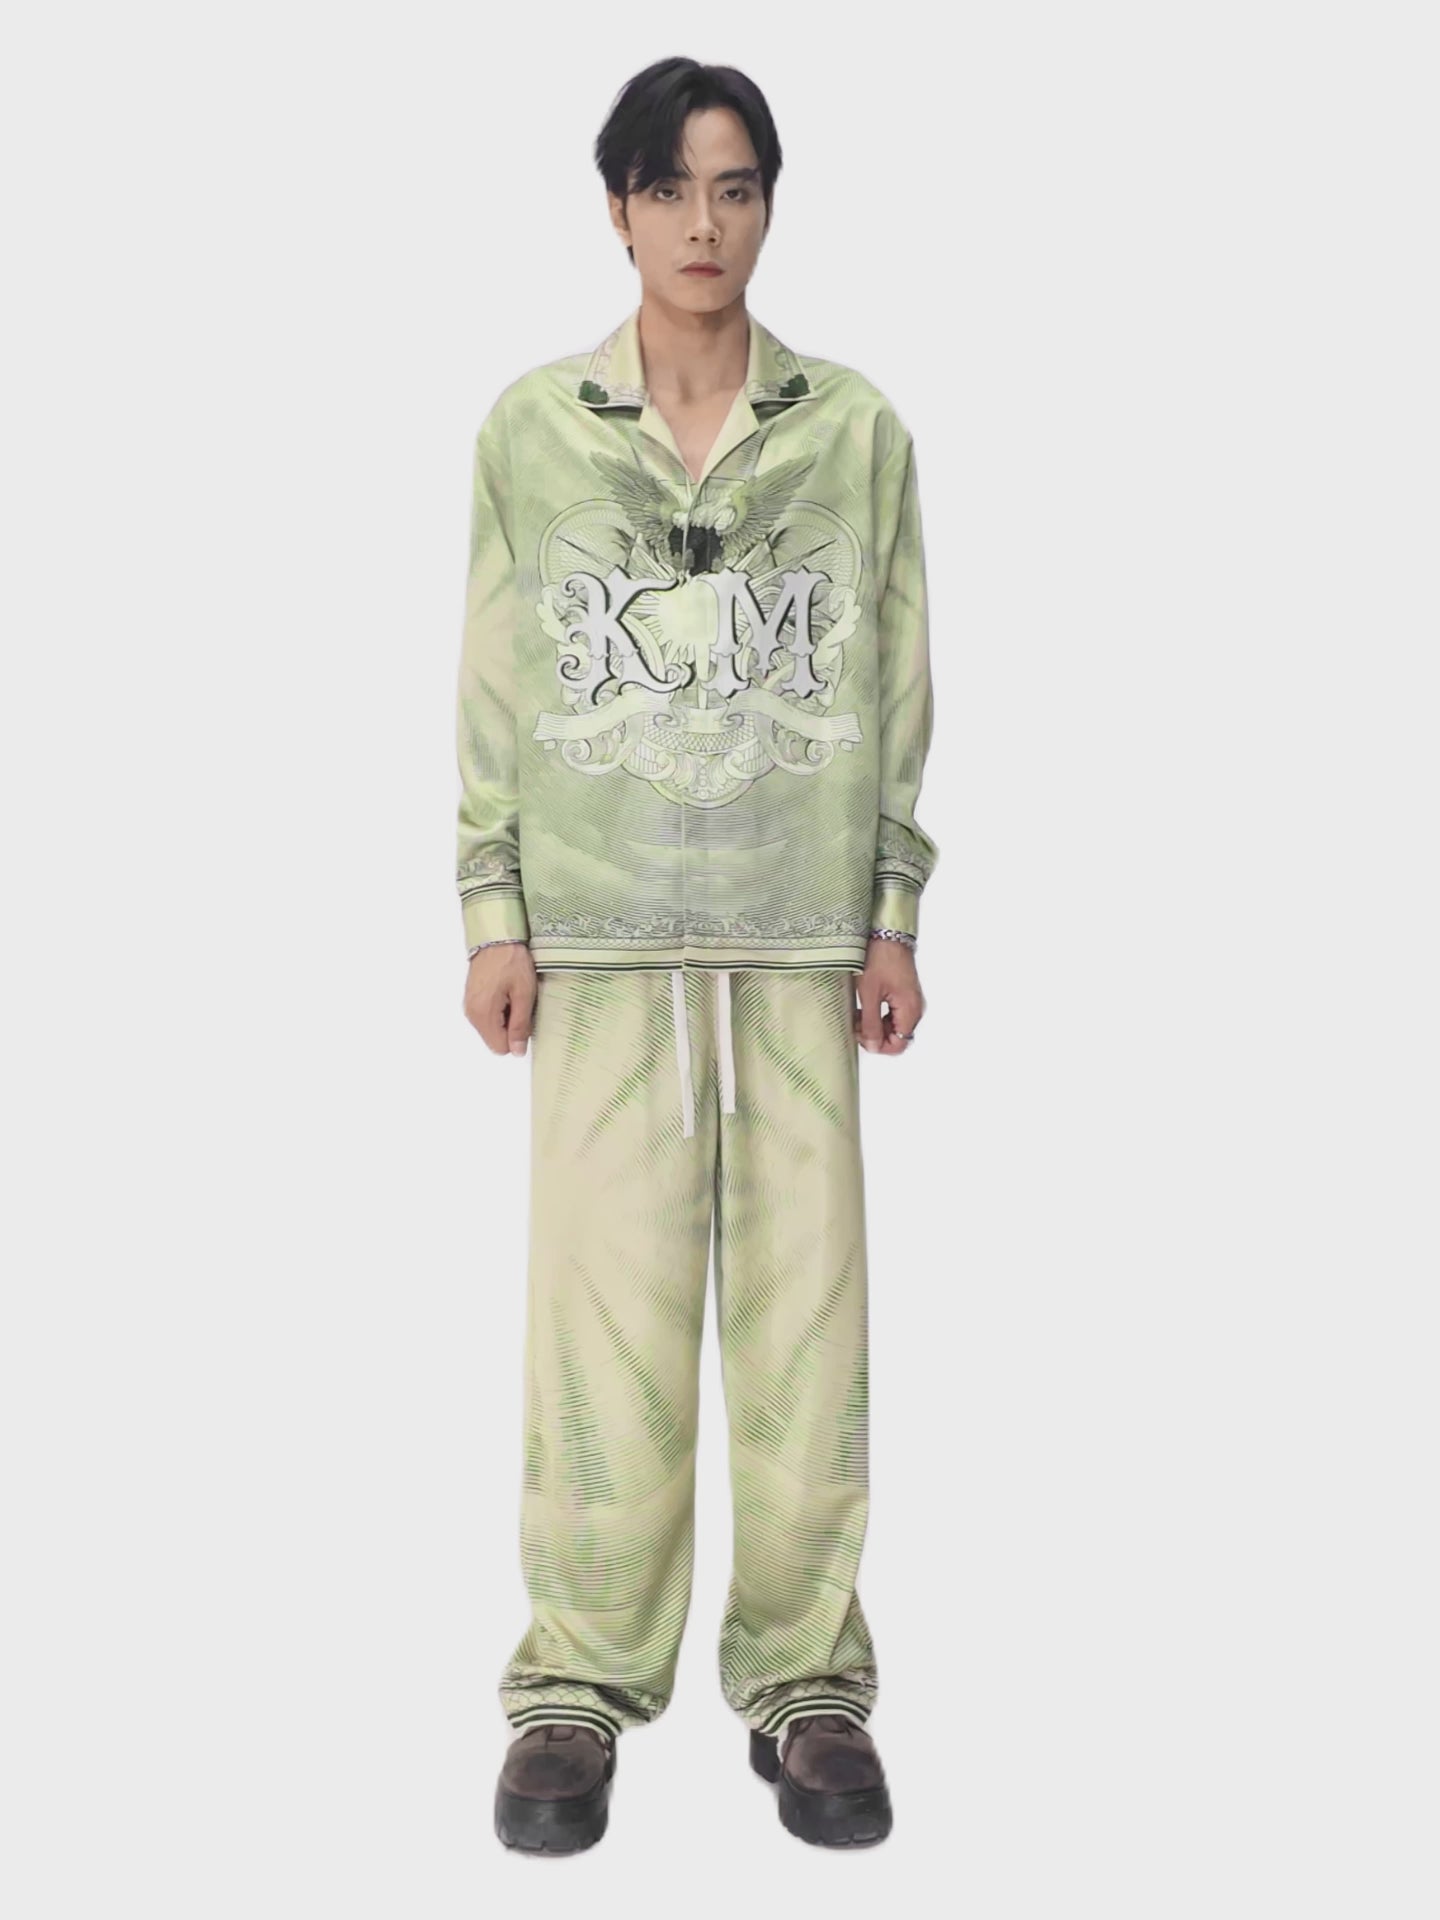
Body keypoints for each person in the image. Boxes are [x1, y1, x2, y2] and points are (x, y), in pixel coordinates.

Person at [454, 55, 939, 1854]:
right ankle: (576, 1686)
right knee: (599, 1332)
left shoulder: (853, 428)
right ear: (619, 209)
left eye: (734, 188)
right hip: (596, 952)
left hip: (801, 944)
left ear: (768, 206)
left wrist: (893, 911)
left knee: (811, 1333)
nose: (703, 223)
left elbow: (899, 676)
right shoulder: (533, 429)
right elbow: (495, 679)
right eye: (669, 188)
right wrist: (492, 909)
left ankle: (809, 1684)